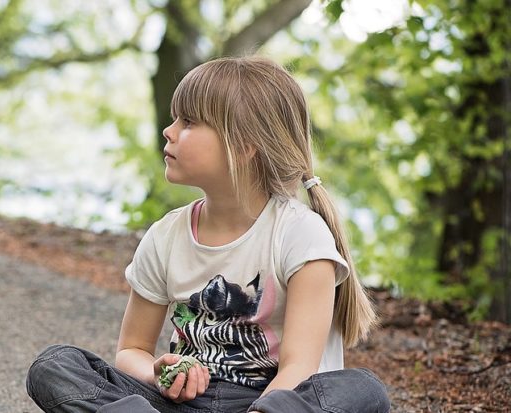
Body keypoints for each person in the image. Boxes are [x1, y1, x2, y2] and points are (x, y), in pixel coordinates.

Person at [25, 57, 390, 413]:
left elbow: (299, 368)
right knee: (55, 365)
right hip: (178, 404)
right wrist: (158, 374)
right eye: (175, 119)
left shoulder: (300, 234)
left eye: (189, 122)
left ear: (245, 145)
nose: (169, 131)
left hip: (271, 401)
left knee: (362, 388)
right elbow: (131, 350)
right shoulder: (166, 235)